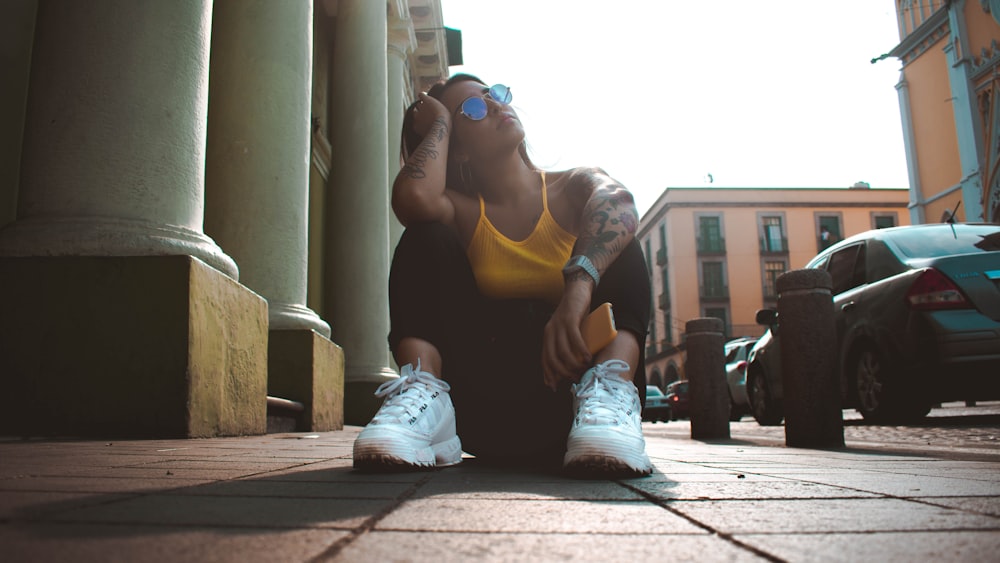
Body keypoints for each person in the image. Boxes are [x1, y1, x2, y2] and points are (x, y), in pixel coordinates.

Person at [352, 74, 653, 477]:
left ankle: (612, 395)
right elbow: (414, 199)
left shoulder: (571, 187)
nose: (493, 105)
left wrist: (575, 294)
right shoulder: (460, 213)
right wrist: (440, 121)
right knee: (424, 235)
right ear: (456, 150)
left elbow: (618, 201)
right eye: (472, 109)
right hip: (486, 411)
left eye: (494, 94)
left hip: (577, 406)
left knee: (615, 232)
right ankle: (423, 394)